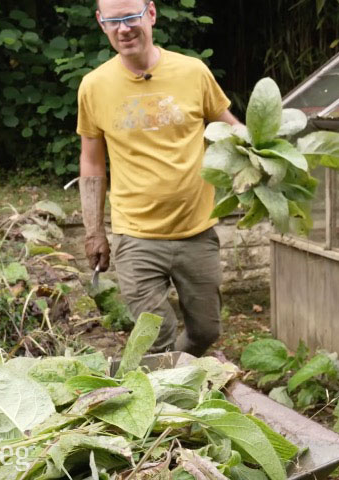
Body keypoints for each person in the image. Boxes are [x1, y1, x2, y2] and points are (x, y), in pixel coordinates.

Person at [77, 0, 240, 355]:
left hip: (196, 232)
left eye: (132, 17)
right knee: (156, 334)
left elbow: (232, 129)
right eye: (114, 21)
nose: (124, 28)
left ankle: (179, 372)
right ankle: (161, 400)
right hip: (136, 236)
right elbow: (91, 162)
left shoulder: (193, 72)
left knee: (206, 331)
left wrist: (264, 154)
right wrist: (94, 232)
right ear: (101, 23)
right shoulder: (94, 86)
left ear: (150, 14)